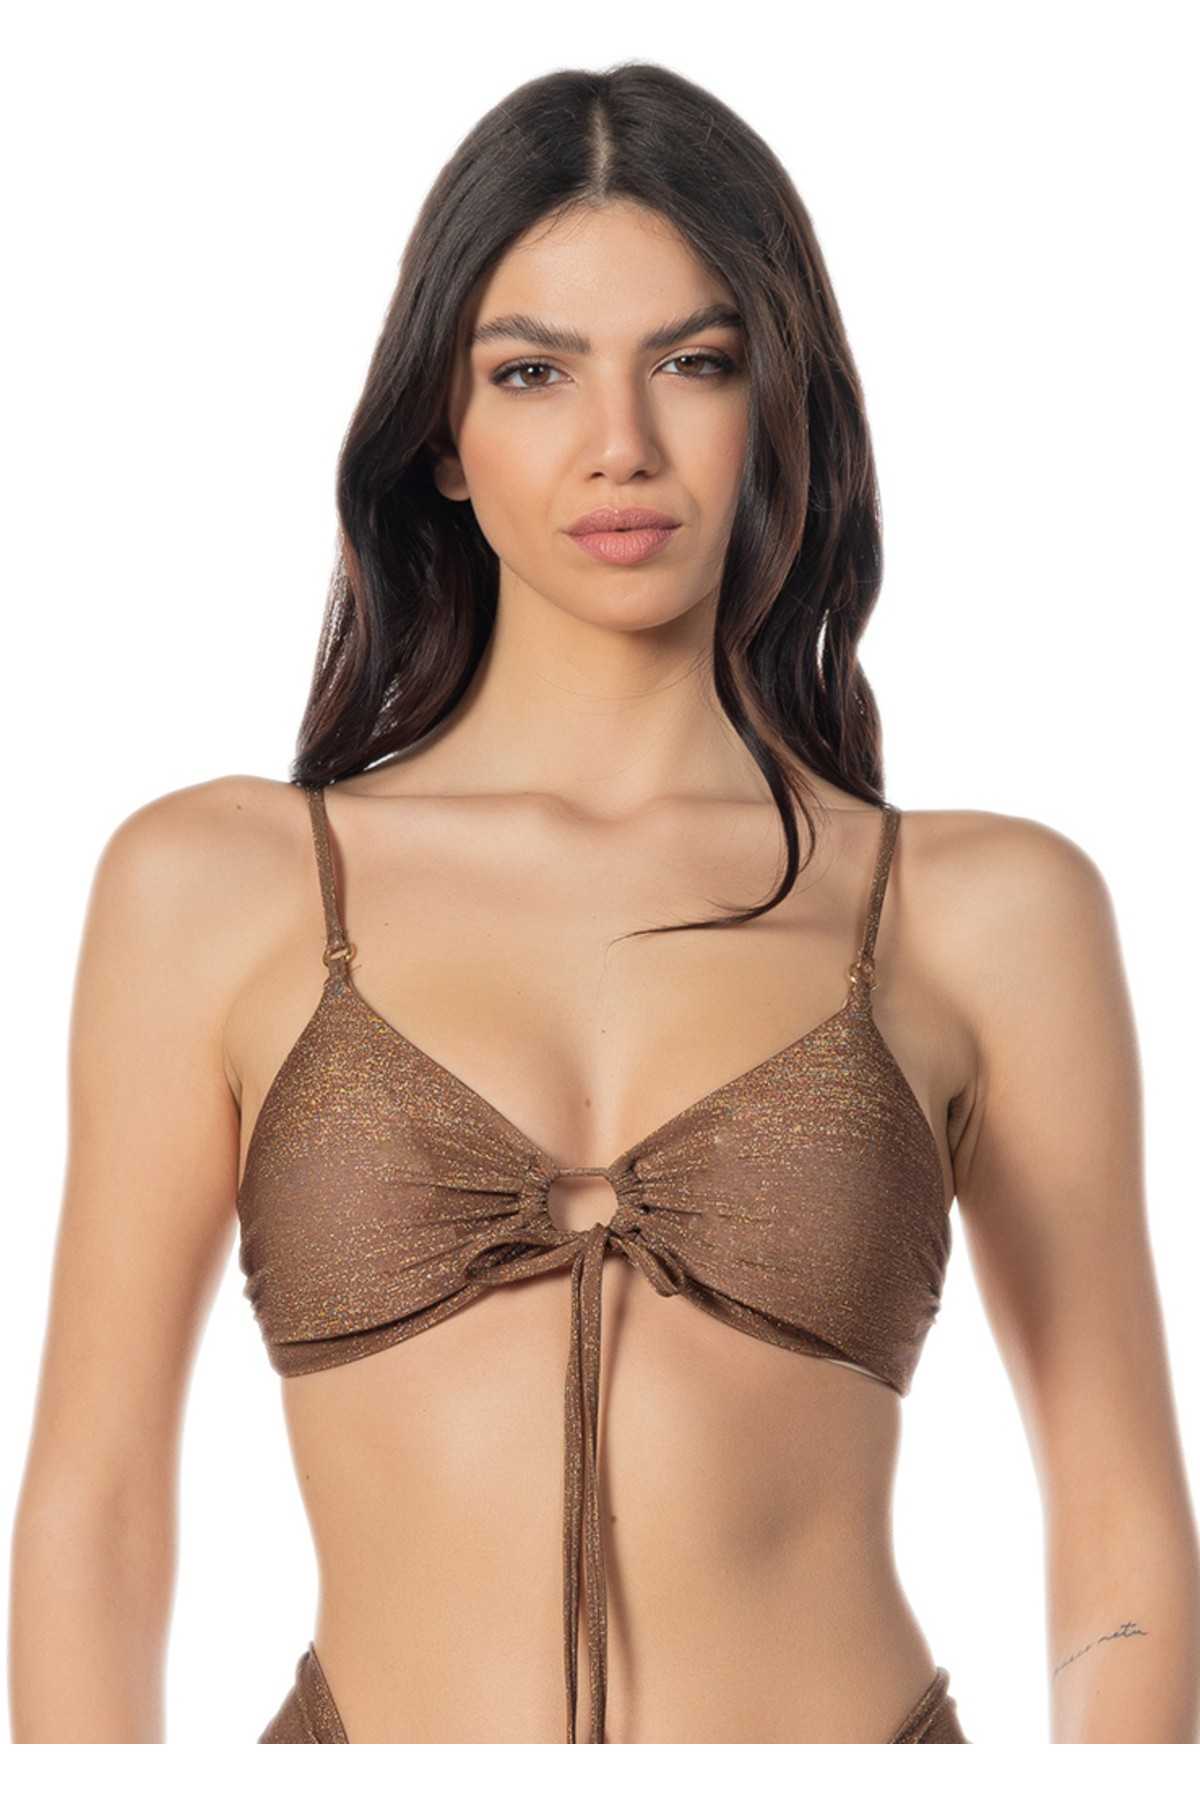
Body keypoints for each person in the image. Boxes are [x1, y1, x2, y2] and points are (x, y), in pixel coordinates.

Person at [10, 61, 1199, 1746]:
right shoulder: (216, 887)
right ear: (442, 436)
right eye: (534, 371)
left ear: (776, 406)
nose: (621, 445)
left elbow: (1118, 1502)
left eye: (695, 364)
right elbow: (97, 1506)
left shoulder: (986, 910)